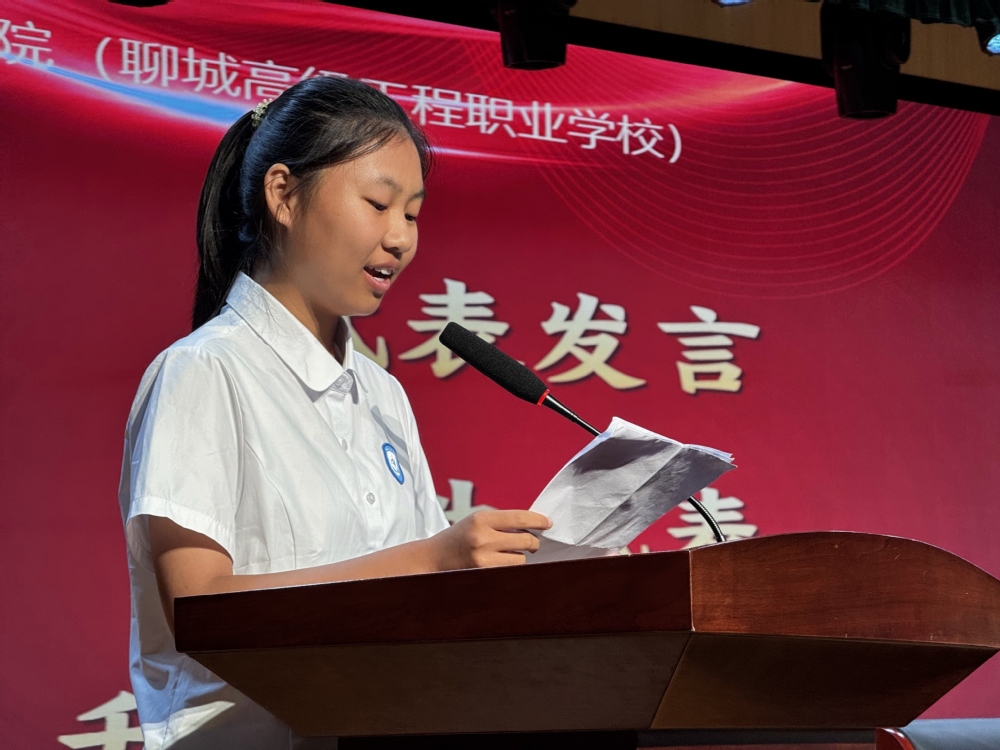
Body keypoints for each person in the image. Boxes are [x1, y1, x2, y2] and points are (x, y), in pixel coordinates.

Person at [118, 76, 551, 750]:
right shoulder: (205, 371)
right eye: (378, 204)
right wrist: (431, 560)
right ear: (283, 194)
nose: (400, 238)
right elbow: (198, 608)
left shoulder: (383, 395)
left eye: (413, 213)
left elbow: (426, 601)